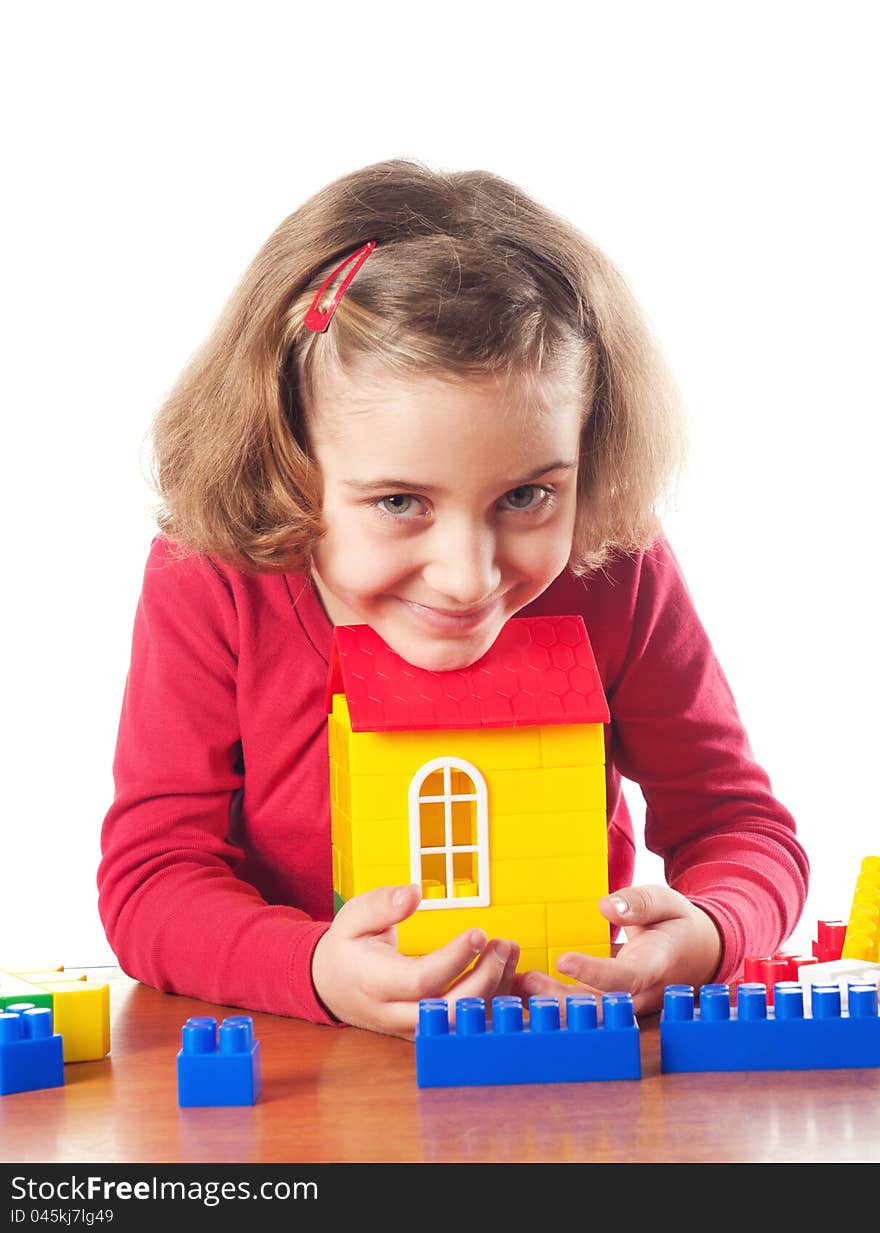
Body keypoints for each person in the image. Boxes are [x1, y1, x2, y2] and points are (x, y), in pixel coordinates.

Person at [98, 158, 809, 1039]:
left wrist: (706, 932)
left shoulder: (612, 563)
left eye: (526, 496)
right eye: (400, 503)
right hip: (306, 1082)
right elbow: (153, 877)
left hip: (570, 1074)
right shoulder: (213, 574)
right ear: (290, 460)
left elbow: (741, 826)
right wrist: (315, 968)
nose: (468, 577)